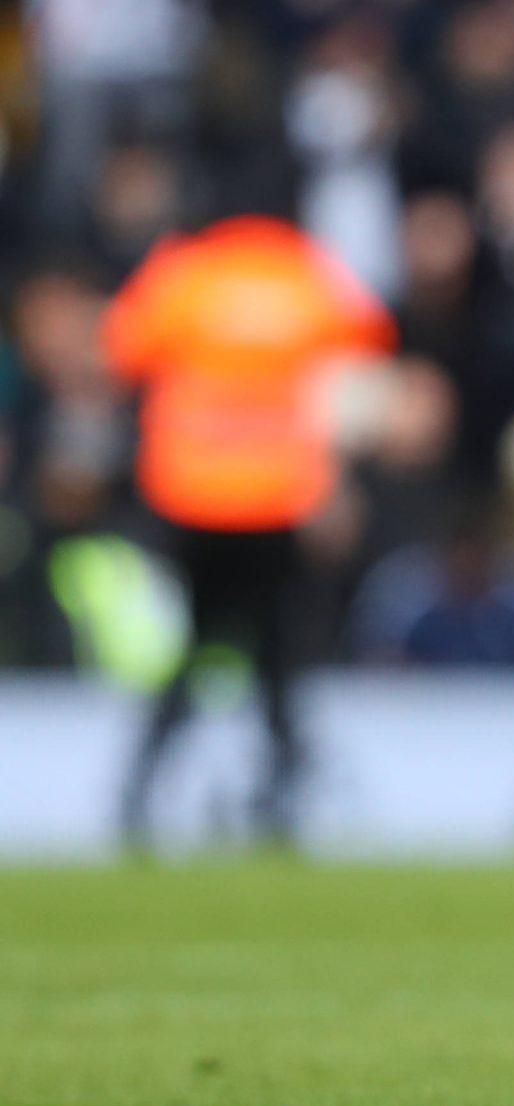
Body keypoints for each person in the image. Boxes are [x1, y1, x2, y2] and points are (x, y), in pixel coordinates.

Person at [102, 206, 395, 845]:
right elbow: (359, 373)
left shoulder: (181, 272)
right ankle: (282, 794)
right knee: (277, 656)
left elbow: (122, 352)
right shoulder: (311, 274)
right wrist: (337, 483)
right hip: (280, 498)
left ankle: (140, 790)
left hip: (189, 495)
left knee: (184, 653)